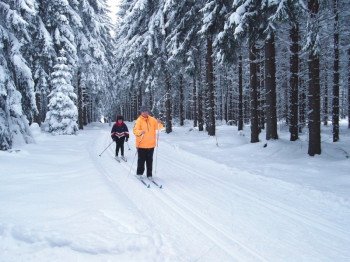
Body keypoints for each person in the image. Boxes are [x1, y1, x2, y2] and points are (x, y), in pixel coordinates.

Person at [133, 105, 163, 180]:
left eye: (146, 111)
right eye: (143, 111)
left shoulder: (152, 119)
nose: (145, 113)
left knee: (150, 161)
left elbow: (159, 127)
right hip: (141, 145)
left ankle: (149, 175)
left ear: (148, 112)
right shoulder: (138, 120)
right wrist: (140, 132)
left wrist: (159, 123)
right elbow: (135, 131)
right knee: (141, 160)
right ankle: (139, 173)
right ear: (141, 112)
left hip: (151, 145)